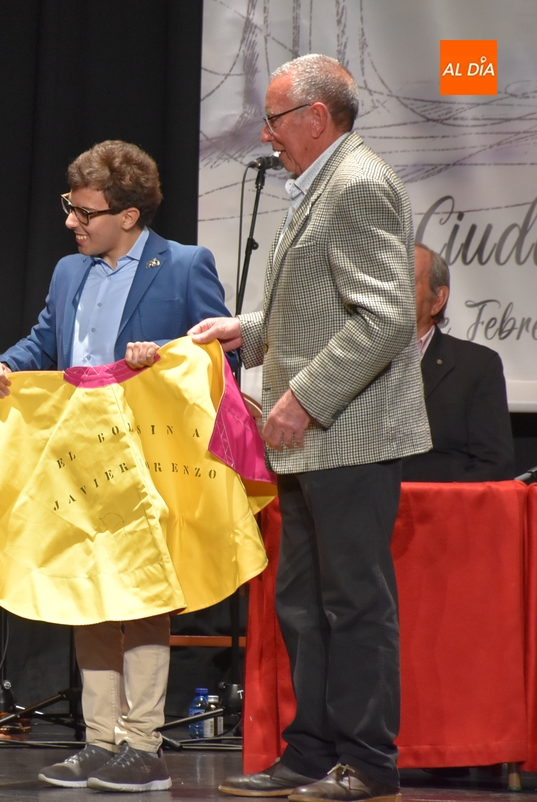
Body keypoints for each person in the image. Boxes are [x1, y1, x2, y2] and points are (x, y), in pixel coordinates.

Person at [191, 54, 429, 802]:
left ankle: (368, 763)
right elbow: (317, 310)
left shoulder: (357, 184)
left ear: (315, 118)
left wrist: (306, 398)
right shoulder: (320, 183)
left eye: (275, 119)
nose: (267, 133)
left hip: (349, 435)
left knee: (353, 604)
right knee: (301, 604)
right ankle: (308, 754)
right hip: (310, 442)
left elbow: (386, 317)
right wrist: (245, 332)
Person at [0, 140, 232, 793]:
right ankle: (99, 741)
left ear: (129, 215)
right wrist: (8, 363)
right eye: (70, 208)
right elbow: (46, 339)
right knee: (87, 593)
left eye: (85, 212)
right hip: (80, 452)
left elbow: (219, 361)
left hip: (150, 457)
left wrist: (167, 357)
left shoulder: (183, 266)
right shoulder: (70, 271)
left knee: (143, 596)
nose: (72, 222)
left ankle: (143, 745)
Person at [401, 242, 513, 482]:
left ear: (438, 299)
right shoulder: (349, 360)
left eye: (406, 278)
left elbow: (493, 464)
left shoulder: (477, 365)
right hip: (359, 509)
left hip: (437, 510)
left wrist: (442, 505)